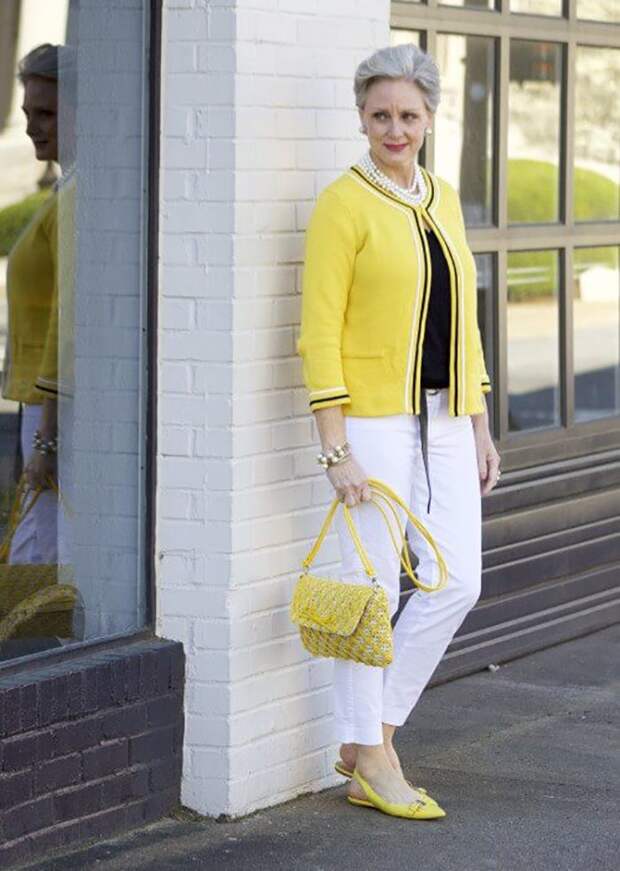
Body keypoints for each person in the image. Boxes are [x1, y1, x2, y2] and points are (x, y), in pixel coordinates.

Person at [297, 43, 501, 820]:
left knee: (457, 580)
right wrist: (335, 446)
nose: (394, 129)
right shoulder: (341, 204)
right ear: (361, 117)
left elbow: (466, 323)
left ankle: (372, 734)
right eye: (380, 114)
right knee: (372, 589)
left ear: (429, 117)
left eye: (408, 115)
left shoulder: (441, 198)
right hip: (373, 420)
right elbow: (319, 331)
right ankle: (373, 760)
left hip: (446, 417)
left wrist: (480, 424)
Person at [2, 43, 74, 565]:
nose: (31, 127)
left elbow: (65, 319)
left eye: (45, 113)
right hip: (38, 402)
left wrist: (47, 434)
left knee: (36, 552)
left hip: (50, 408)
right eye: (27, 113)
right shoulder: (64, 189)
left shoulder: (74, 198)